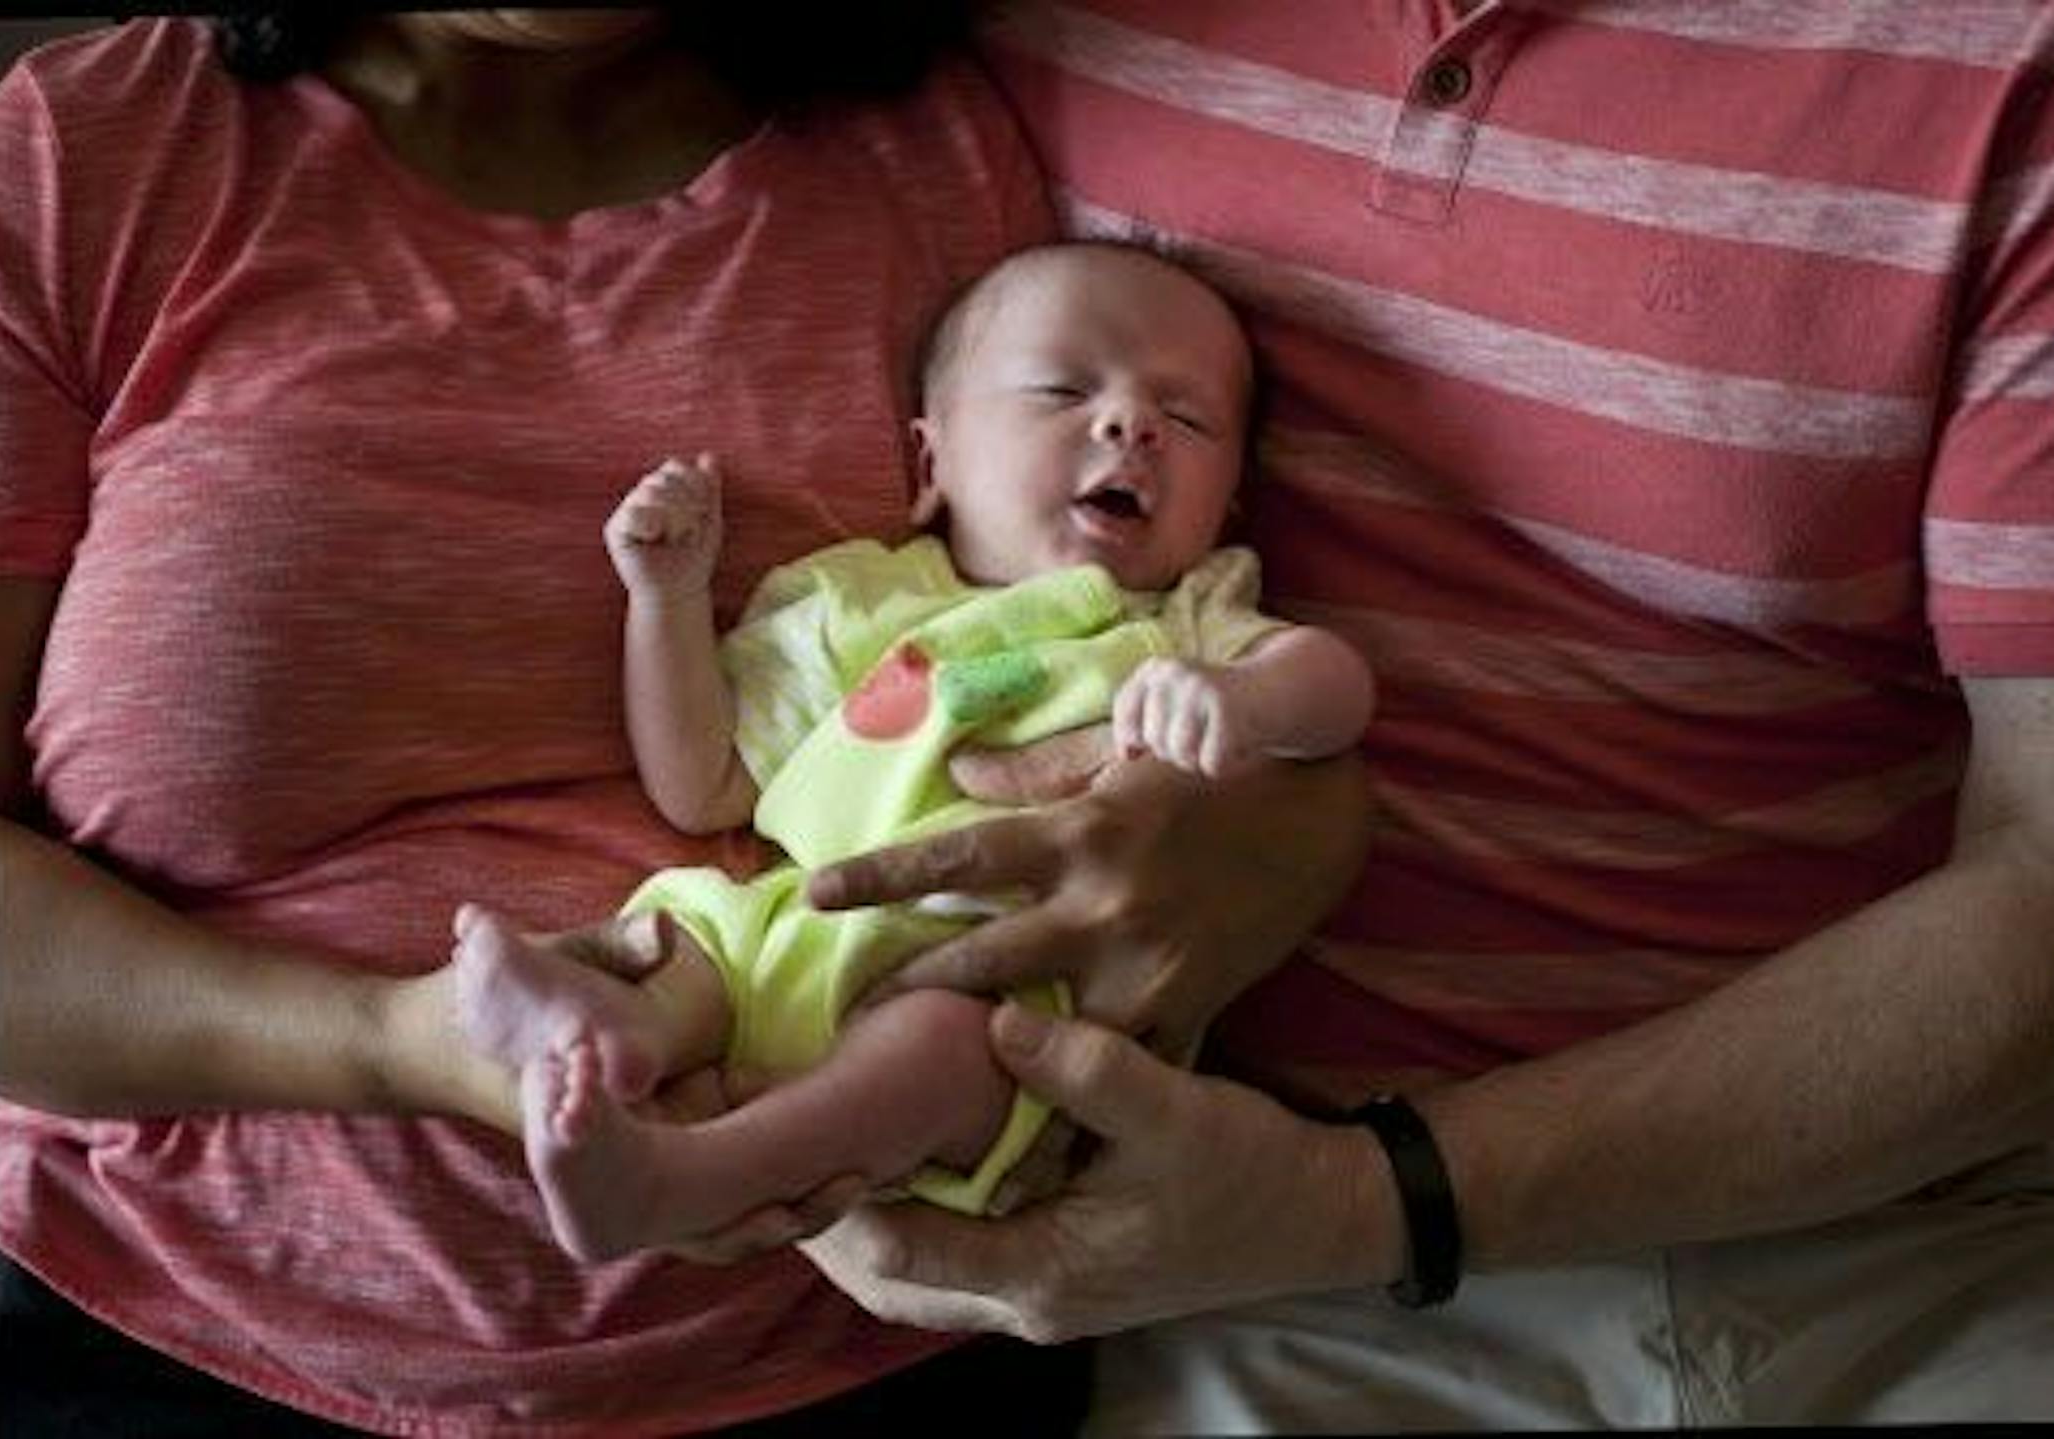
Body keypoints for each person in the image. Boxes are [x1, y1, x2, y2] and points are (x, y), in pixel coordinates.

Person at [0, 9, 1375, 1436]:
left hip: (873, 1328)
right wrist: (393, 1042)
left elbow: (1279, 708)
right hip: (159, 1318)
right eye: (1074, 399)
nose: (1122, 428)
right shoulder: (90, 152)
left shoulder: (966, 133)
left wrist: (1282, 837)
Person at [789, 0, 2054, 1430]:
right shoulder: (1021, 25)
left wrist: (1365, 1198)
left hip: (1905, 1208)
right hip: (1216, 1211)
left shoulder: (2050, 51)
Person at [451, 240, 1377, 1264]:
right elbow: (702, 783)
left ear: (1229, 504)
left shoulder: (1188, 618)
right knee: (678, 929)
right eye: (1063, 389)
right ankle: (608, 1037)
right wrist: (665, 602)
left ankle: (689, 1177)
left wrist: (1247, 698)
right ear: (932, 464)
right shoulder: (857, 599)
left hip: (1012, 1006)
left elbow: (1338, 689)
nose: (1131, 423)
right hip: (797, 929)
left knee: (936, 1048)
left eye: (1190, 418)